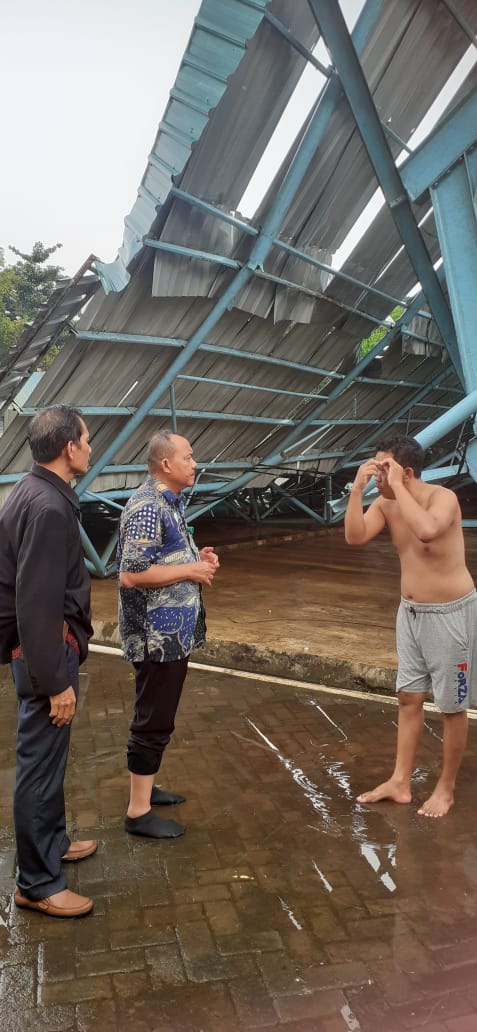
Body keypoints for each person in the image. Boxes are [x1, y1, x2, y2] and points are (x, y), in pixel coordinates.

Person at [344, 432, 476, 818]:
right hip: (411, 613)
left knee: (452, 706)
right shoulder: (386, 505)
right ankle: (400, 781)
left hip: (451, 614)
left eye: (382, 468)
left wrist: (397, 485)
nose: (377, 476)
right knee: (408, 698)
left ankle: (446, 788)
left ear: (406, 470)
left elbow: (427, 531)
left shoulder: (442, 499)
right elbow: (355, 537)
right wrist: (357, 491)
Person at [0, 405, 96, 918]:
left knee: (49, 758)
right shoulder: (48, 506)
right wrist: (55, 680)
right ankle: (36, 883)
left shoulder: (33, 489)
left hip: (44, 649)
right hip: (44, 651)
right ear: (68, 448)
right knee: (38, 766)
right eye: (87, 438)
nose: (89, 446)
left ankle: (52, 842)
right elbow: (35, 601)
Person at [117, 430, 219, 839]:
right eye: (189, 457)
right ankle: (137, 812)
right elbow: (131, 574)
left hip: (171, 635)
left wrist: (198, 559)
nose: (195, 463)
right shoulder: (146, 507)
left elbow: (164, 558)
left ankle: (145, 786)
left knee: (156, 715)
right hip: (155, 638)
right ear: (166, 464)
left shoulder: (169, 503)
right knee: (153, 719)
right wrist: (190, 571)